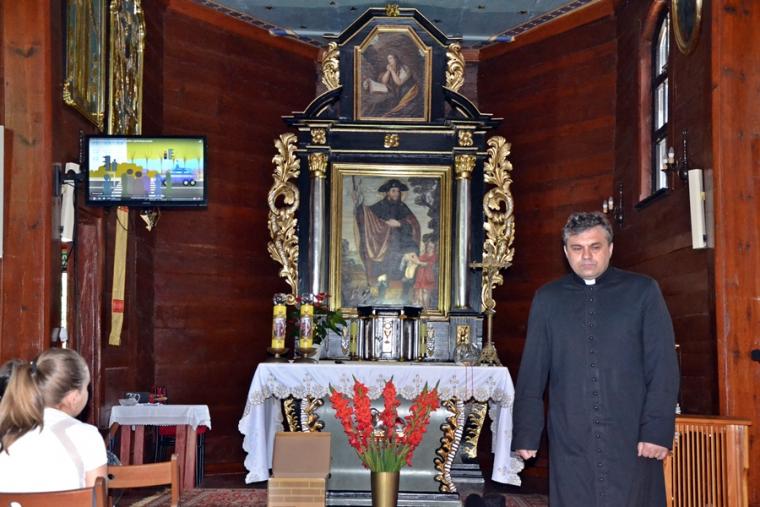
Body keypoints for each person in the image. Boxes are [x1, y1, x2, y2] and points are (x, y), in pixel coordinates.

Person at [512, 211, 679, 506]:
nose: (586, 256)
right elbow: (532, 371)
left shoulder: (643, 291)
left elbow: (663, 366)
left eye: (595, 247)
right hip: (571, 432)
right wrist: (527, 432)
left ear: (610, 249)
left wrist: (656, 430)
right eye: (577, 248)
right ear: (566, 252)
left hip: (630, 431)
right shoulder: (548, 298)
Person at [0, 348, 107, 492]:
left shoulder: (6, 428)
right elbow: (96, 499)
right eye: (86, 387)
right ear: (74, 397)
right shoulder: (87, 436)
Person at [354, 179, 421, 296]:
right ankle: (380, 297)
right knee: (383, 273)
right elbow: (366, 215)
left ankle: (405, 297)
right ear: (387, 192)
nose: (396, 194)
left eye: (398, 191)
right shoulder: (380, 206)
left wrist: (399, 224)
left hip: (402, 244)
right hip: (384, 245)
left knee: (409, 265)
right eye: (393, 191)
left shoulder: (402, 207)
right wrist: (358, 204)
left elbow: (414, 225)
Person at [362, 52, 421, 117]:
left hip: (409, 92)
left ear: (396, 59)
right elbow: (384, 81)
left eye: (391, 58)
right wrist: (388, 71)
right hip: (399, 92)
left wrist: (392, 71)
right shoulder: (392, 68)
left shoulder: (404, 68)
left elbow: (399, 82)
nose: (389, 61)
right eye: (388, 59)